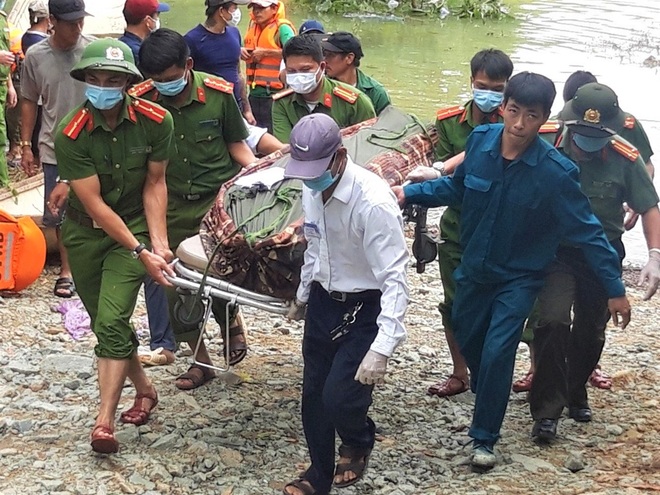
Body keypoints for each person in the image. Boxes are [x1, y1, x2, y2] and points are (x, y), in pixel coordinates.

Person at [393, 72, 631, 470]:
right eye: (514, 111)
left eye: (531, 116)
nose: (519, 124)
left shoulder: (556, 172)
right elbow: (457, 189)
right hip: (474, 269)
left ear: (545, 119)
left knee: (500, 348)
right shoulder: (481, 143)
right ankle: (492, 389)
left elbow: (589, 232)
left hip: (519, 277)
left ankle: (484, 437)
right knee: (471, 341)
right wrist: (409, 192)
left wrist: (614, 286)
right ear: (503, 108)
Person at [54, 38, 174, 454]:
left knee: (109, 321)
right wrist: (144, 252)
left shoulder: (156, 121)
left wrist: (156, 243)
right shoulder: (70, 133)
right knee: (110, 323)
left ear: (127, 82)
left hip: (136, 229)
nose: (102, 87)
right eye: (94, 79)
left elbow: (156, 183)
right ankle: (145, 391)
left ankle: (103, 422)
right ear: (85, 79)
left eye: (112, 80)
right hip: (87, 234)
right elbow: (96, 206)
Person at [282, 113, 408, 495]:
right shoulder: (311, 184)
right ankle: (319, 473)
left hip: (365, 306)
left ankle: (358, 438)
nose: (310, 178)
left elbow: (394, 277)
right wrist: (303, 296)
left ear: (339, 156)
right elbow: (314, 245)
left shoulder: (373, 203)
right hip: (324, 299)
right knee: (314, 394)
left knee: (341, 396)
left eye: (316, 169)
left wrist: (383, 347)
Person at [528, 82, 660, 442]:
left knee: (591, 328)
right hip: (556, 252)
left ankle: (575, 388)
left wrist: (654, 256)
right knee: (552, 321)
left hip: (602, 253)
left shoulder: (625, 156)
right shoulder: (547, 141)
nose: (587, 142)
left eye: (597, 135)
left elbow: (649, 206)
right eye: (582, 133)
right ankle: (546, 412)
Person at [136, 28, 257, 389]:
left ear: (188, 65)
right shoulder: (143, 101)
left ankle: (230, 320)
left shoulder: (219, 94)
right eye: (156, 80)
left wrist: (257, 178)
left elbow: (238, 145)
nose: (163, 86)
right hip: (168, 204)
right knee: (173, 285)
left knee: (221, 275)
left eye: (170, 79)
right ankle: (200, 359)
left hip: (215, 203)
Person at [416, 49, 514, 398]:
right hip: (460, 225)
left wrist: (445, 167)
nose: (489, 94)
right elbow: (439, 171)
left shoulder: (517, 121)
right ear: (471, 81)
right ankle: (460, 373)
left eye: (497, 88)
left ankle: (532, 372)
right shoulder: (447, 122)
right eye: (482, 85)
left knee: (518, 306)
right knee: (454, 303)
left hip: (506, 229)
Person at [20, 0, 93, 298]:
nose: (77, 28)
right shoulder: (36, 57)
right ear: (53, 20)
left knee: (95, 206)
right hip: (54, 146)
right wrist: (26, 145)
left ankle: (96, 266)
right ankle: (67, 270)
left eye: (80, 21)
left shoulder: (92, 51)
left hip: (92, 141)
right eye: (70, 22)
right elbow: (28, 99)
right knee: (59, 213)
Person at [272, 34, 376, 143]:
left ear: (322, 67)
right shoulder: (282, 103)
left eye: (306, 69)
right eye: (292, 71)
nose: (299, 76)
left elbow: (368, 146)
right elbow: (286, 149)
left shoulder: (355, 102)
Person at [184, 0, 255, 124]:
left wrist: (247, 109)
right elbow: (186, 79)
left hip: (235, 109)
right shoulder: (192, 39)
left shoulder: (234, 33)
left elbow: (238, 73)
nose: (237, 12)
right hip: (208, 112)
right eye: (234, 8)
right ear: (221, 11)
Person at [241, 0, 295, 132]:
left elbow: (296, 53)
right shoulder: (252, 28)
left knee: (275, 136)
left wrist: (266, 52)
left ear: (274, 8)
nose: (256, 11)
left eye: (261, 8)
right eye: (254, 8)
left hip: (275, 95)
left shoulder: (282, 28)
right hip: (253, 94)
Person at [322, 31, 391, 116]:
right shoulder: (321, 86)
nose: (325, 60)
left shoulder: (375, 92)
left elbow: (386, 125)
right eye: (324, 54)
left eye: (331, 55)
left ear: (349, 58)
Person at [0, 0, 18, 188]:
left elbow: (6, 57)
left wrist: (10, 85)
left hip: (2, 85)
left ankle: (3, 183)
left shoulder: (2, 20)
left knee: (1, 136)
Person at [118, 0, 170, 65]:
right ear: (148, 21)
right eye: (157, 15)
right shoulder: (140, 53)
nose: (157, 19)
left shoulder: (121, 43)